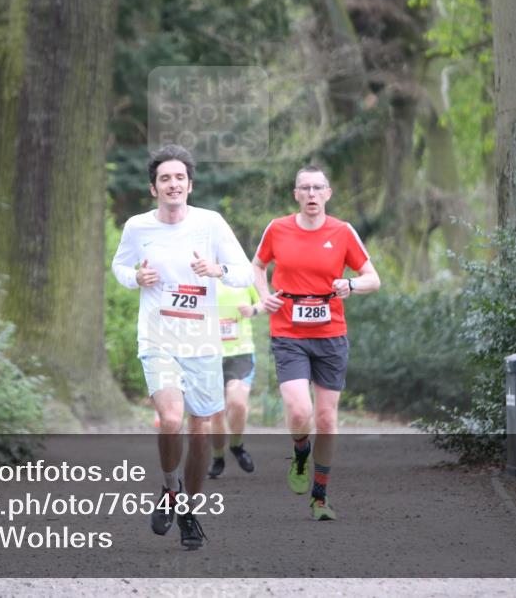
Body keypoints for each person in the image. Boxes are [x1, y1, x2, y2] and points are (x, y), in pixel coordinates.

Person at [111, 144, 253, 549]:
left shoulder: (211, 224)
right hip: (158, 337)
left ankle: (188, 509)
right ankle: (171, 489)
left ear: (190, 185)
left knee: (201, 429)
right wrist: (135, 278)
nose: (172, 184)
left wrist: (218, 270)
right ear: (153, 188)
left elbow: (244, 273)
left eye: (179, 178)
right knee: (172, 419)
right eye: (164, 179)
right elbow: (120, 266)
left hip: (203, 343)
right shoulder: (138, 227)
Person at [252, 165, 380, 520]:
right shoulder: (278, 228)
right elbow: (257, 266)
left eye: (317, 187)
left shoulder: (342, 232)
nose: (311, 194)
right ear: (296, 194)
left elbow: (373, 279)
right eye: (304, 188)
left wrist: (351, 285)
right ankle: (300, 453)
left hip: (331, 335)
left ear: (328, 193)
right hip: (289, 333)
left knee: (325, 417)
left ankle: (320, 497)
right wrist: (265, 298)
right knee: (299, 411)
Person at [208, 279, 261, 478]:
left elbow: (263, 302)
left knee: (237, 403)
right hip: (208, 354)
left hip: (241, 353)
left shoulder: (243, 277)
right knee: (216, 413)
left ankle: (237, 445)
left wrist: (253, 310)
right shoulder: (200, 278)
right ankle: (218, 457)